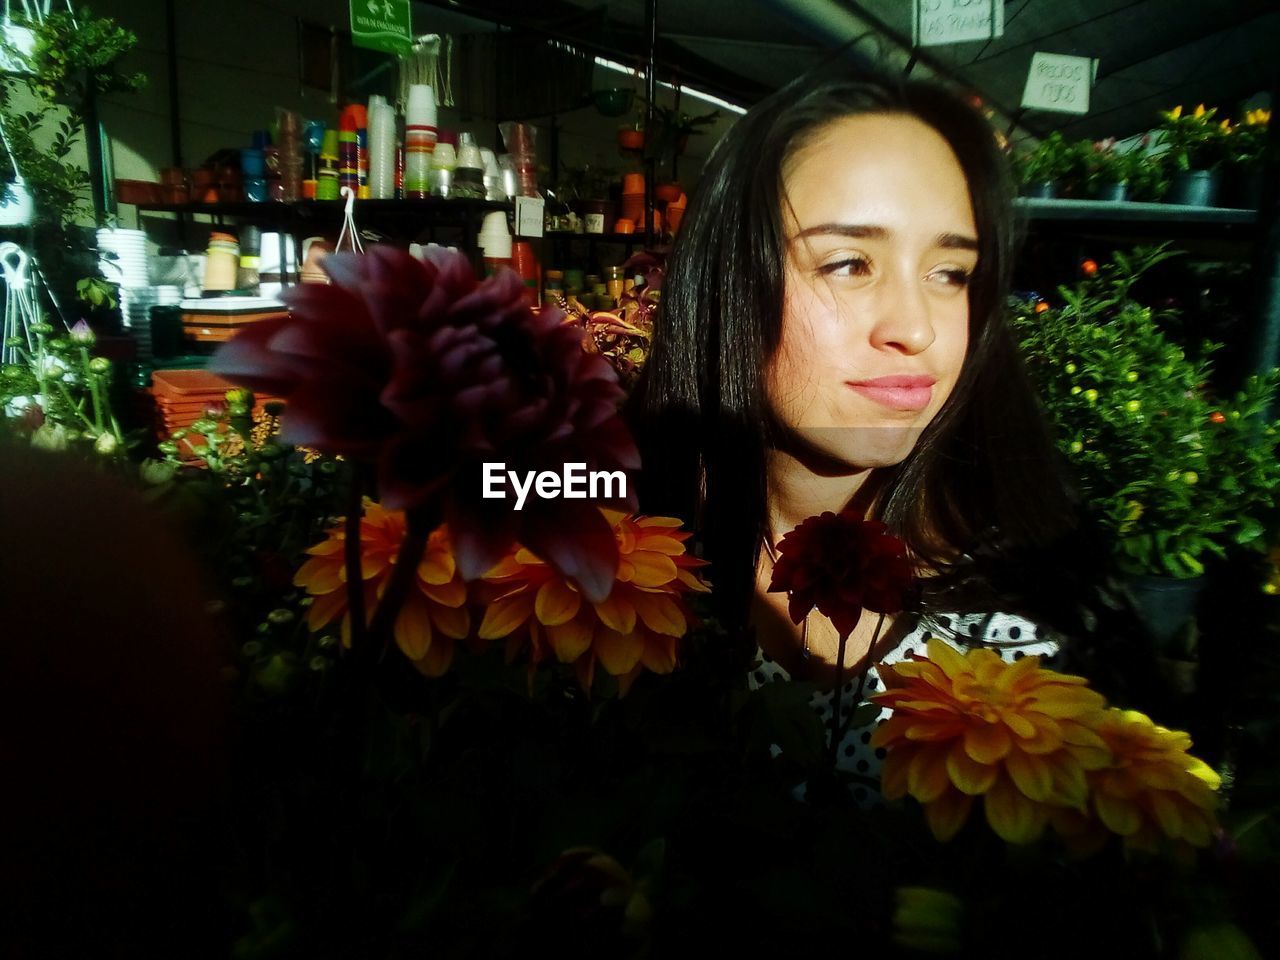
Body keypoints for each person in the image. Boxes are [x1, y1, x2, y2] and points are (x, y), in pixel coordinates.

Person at [628, 64, 1147, 794]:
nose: (915, 329)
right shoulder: (600, 558)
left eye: (950, 273)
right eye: (849, 264)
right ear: (727, 280)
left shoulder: (1038, 628)